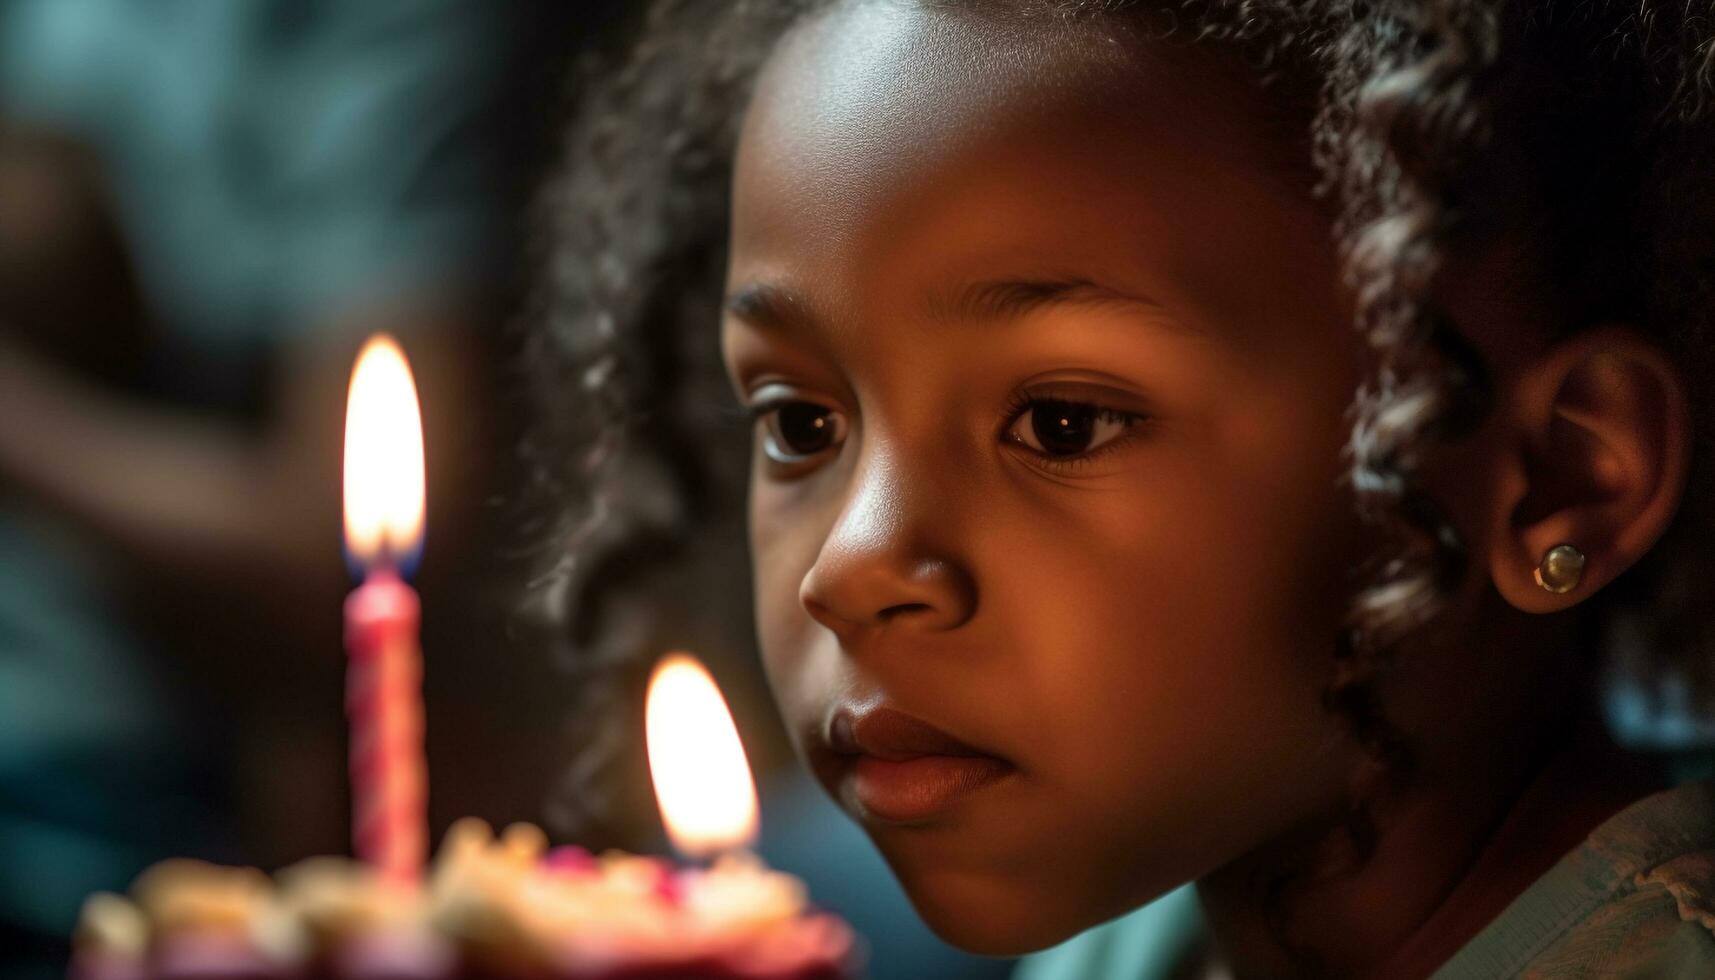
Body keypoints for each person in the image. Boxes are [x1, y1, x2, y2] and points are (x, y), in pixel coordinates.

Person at [523, 1, 1715, 976]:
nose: (850, 567)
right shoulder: (1144, 935)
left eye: (1062, 421)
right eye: (800, 423)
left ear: (1559, 477)